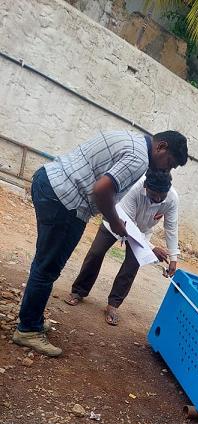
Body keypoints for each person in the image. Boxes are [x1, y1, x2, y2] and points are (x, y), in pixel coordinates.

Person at [13, 129, 188, 356]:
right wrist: (115, 223)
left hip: (50, 181)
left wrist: (172, 254)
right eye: (169, 163)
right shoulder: (139, 159)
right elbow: (102, 189)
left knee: (45, 262)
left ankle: (32, 319)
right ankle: (27, 329)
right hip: (67, 201)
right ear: (161, 147)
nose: (167, 170)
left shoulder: (131, 138)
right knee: (47, 268)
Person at [65, 169, 179, 326]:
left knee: (131, 267)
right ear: (146, 186)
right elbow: (129, 224)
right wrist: (151, 248)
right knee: (96, 253)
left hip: (142, 234)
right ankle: (78, 291)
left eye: (162, 195)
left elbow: (171, 227)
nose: (158, 199)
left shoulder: (172, 199)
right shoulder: (135, 189)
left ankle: (113, 306)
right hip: (117, 222)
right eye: (154, 194)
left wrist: (173, 258)